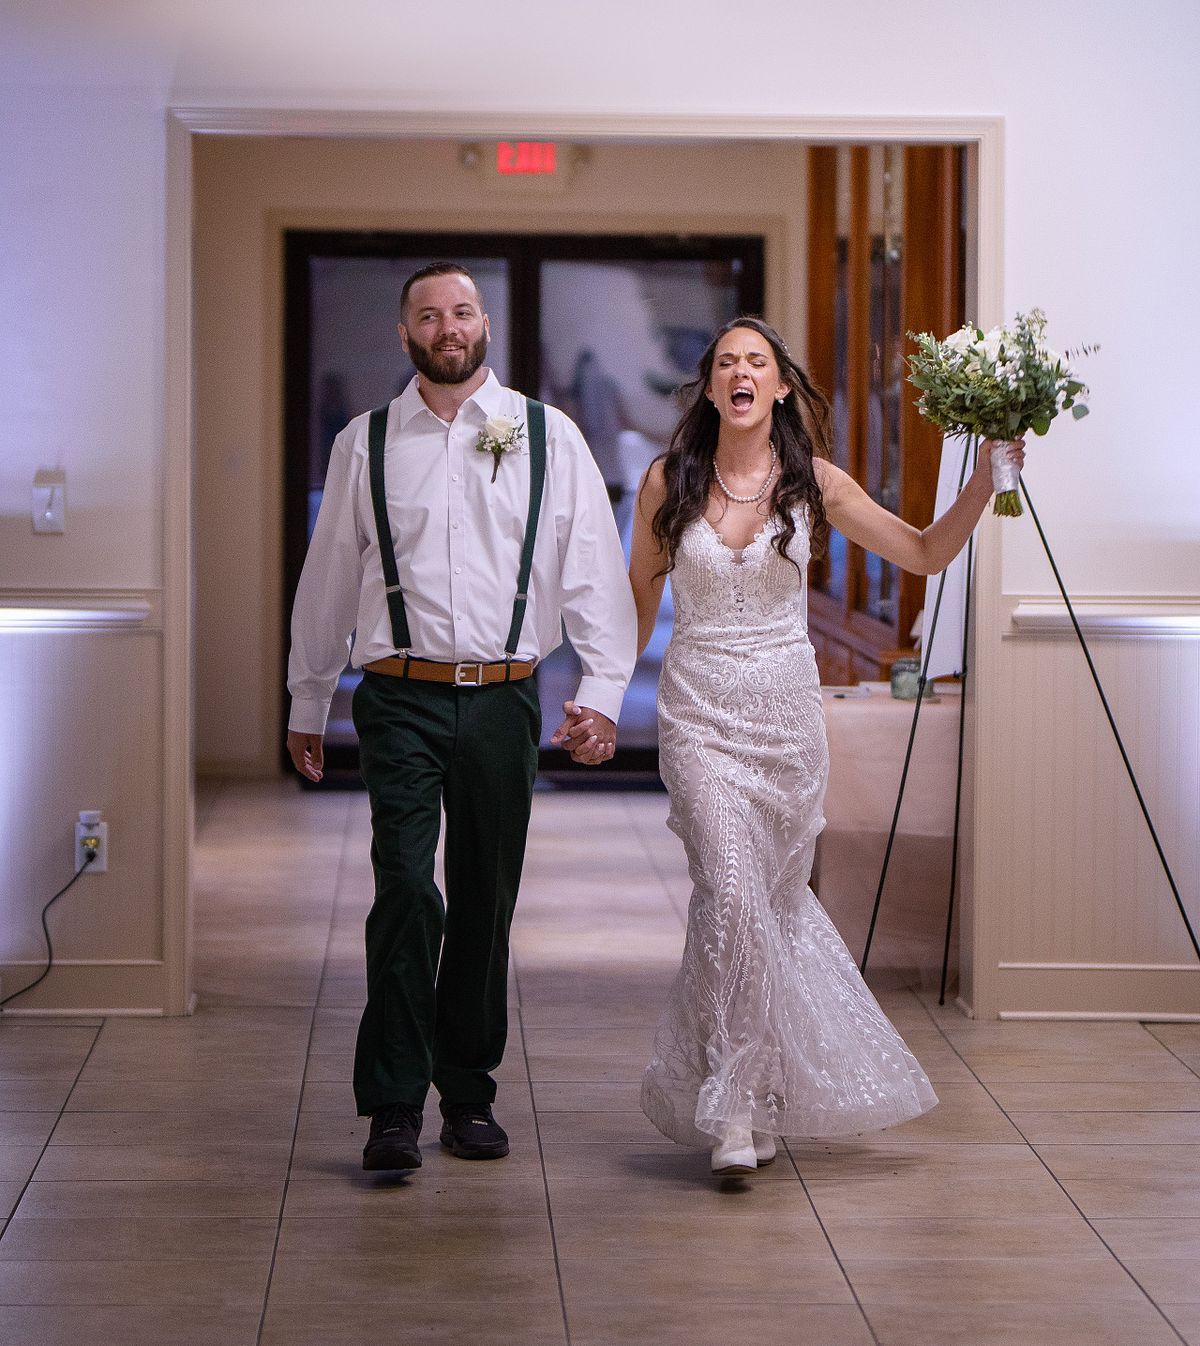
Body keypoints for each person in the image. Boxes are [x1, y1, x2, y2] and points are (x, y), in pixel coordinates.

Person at [630, 316, 1024, 1175]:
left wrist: (989, 480)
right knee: (730, 890)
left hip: (785, 721)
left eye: (757, 363)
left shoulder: (816, 484)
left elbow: (922, 553)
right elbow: (636, 602)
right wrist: (594, 701)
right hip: (698, 714)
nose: (741, 373)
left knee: (760, 910)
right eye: (727, 362)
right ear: (710, 388)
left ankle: (760, 1092)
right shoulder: (668, 481)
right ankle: (736, 1112)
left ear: (778, 388)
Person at [287, 263, 636, 1173]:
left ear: (485, 325)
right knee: (404, 889)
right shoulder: (364, 443)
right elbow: (328, 577)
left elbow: (592, 566)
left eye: (464, 311)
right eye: (430, 314)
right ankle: (393, 1104)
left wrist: (600, 690)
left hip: (504, 697)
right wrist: (309, 695)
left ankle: (468, 1093)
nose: (449, 326)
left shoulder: (547, 436)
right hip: (397, 695)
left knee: (485, 896)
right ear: (406, 334)